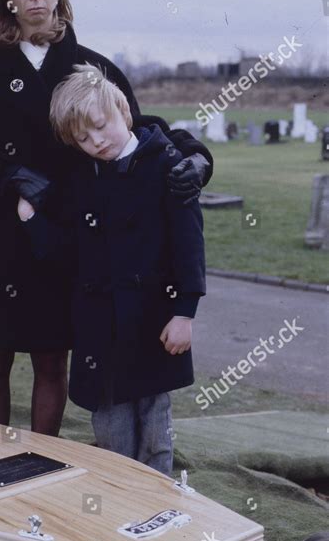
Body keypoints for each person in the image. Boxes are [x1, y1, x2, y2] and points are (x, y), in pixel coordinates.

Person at [0, 0, 213, 435]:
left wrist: (194, 155)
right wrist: (11, 176)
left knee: (50, 363)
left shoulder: (93, 67)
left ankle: (43, 460)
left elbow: (140, 127)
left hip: (66, 237)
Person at [17, 63, 206, 474]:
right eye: (82, 138)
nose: (95, 141)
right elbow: (69, 251)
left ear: (123, 110)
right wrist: (33, 220)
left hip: (155, 318)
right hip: (99, 326)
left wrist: (184, 312)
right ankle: (119, 500)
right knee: (110, 427)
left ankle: (158, 501)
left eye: (100, 127)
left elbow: (188, 245)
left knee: (155, 424)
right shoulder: (84, 177)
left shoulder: (169, 166)